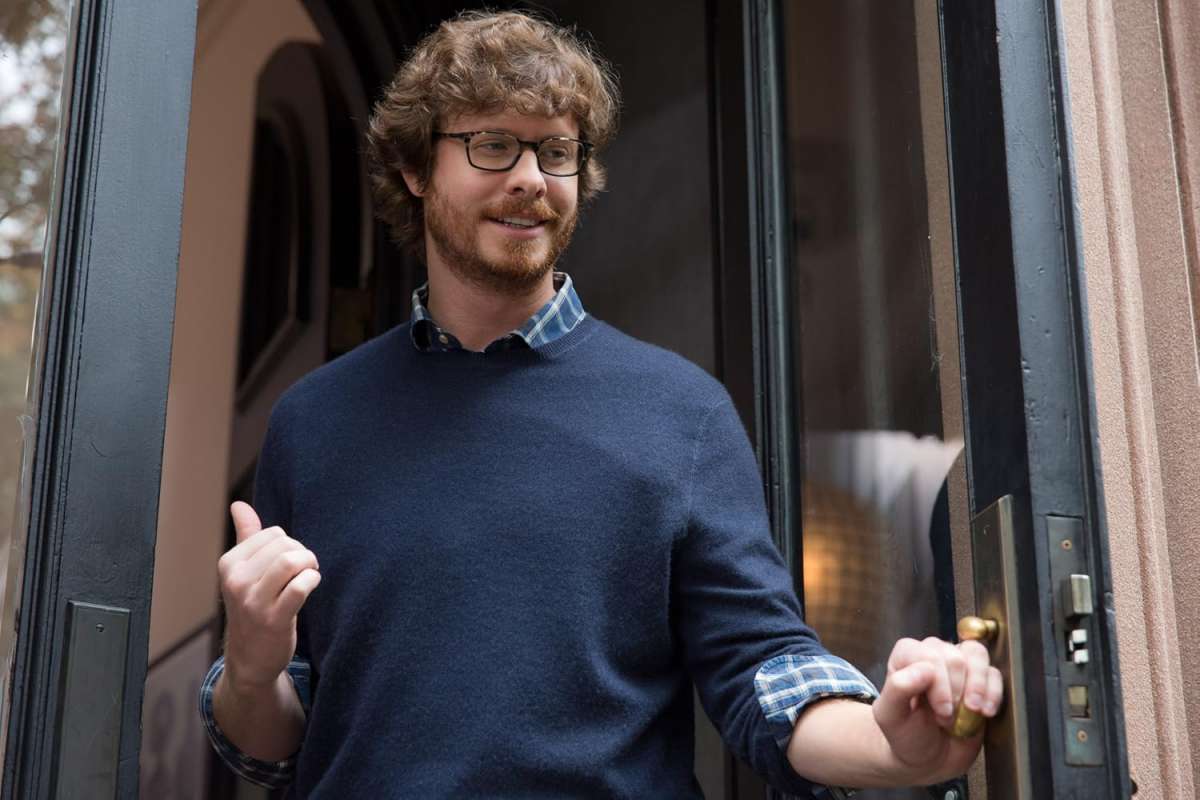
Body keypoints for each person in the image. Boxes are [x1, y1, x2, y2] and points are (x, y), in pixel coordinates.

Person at [199, 10, 1003, 797]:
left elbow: (760, 666)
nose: (529, 178)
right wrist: (253, 669)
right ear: (415, 169)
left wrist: (890, 745)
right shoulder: (313, 422)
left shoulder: (681, 412)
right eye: (492, 145)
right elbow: (274, 745)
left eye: (556, 152)